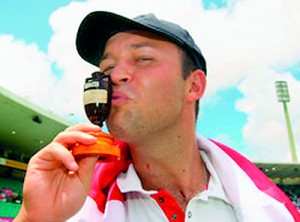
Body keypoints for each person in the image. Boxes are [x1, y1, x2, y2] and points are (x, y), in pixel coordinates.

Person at [14, 11, 299, 222]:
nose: (115, 75)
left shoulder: (267, 207)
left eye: (142, 58)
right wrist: (31, 218)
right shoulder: (72, 208)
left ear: (194, 85)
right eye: (107, 66)